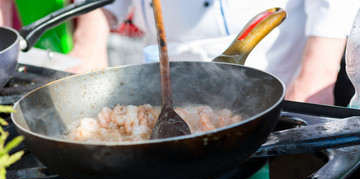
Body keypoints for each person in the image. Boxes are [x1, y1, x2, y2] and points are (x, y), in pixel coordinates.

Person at [69, 0, 358, 106]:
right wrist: (89, 38)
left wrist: (316, 74)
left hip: (276, 66)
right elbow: (100, 6)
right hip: (169, 61)